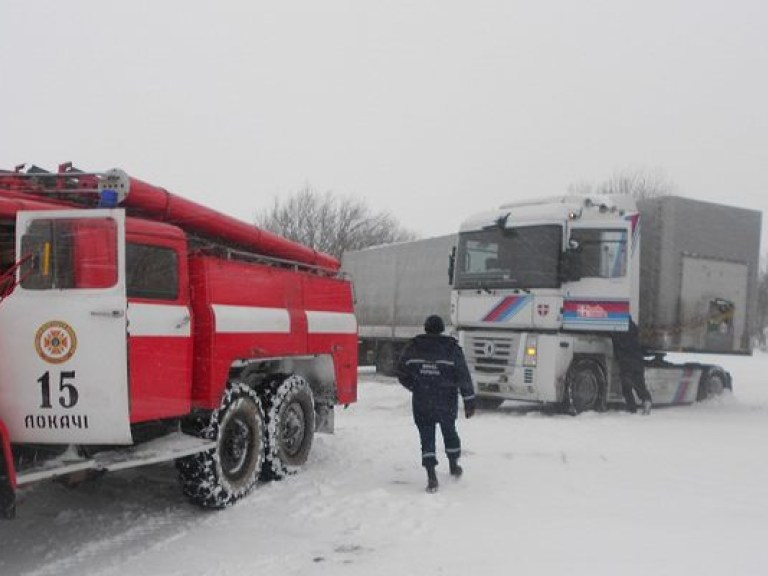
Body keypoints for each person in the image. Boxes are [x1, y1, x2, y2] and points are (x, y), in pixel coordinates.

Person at [396, 314, 475, 493]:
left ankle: (431, 475)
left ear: (426, 328)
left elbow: (401, 371)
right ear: (441, 329)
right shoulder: (451, 348)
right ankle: (454, 464)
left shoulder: (413, 347)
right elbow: (463, 375)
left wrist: (415, 386)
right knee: (449, 431)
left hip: (422, 400)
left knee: (426, 436)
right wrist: (469, 400)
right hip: (446, 399)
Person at [611, 318, 652, 414]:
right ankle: (646, 400)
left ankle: (631, 407)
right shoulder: (632, 327)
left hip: (626, 359)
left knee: (626, 385)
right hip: (637, 358)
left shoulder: (620, 327)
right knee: (639, 384)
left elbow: (618, 341)